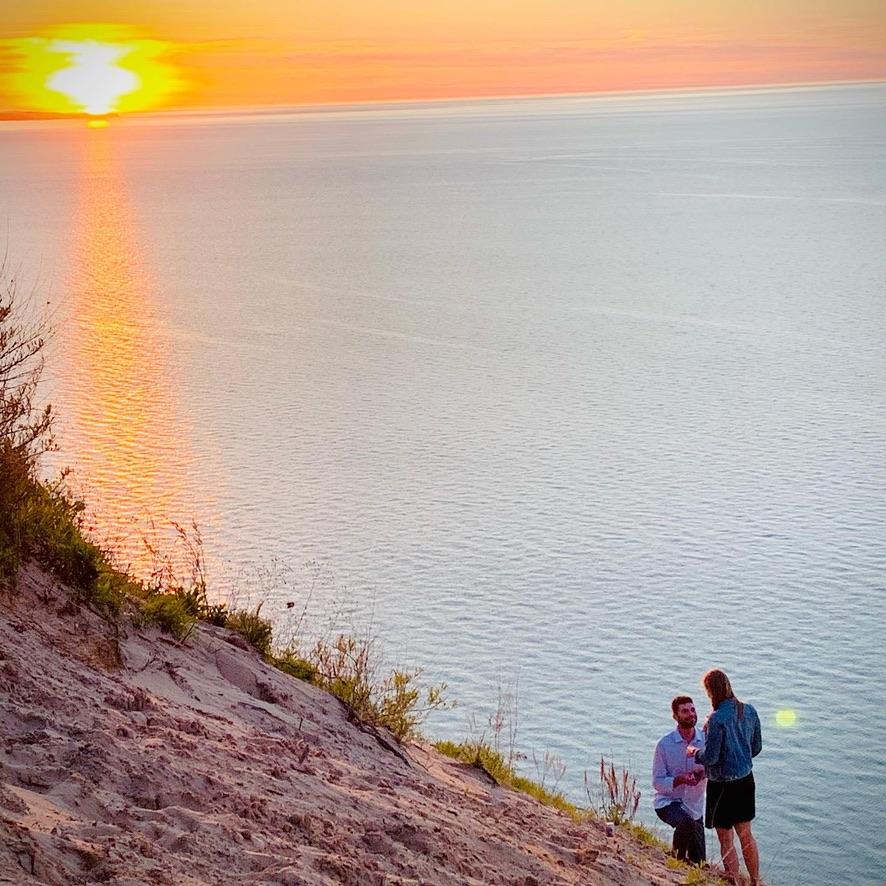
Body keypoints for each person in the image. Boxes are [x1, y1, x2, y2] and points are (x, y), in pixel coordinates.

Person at [688, 669, 762, 886]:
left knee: (726, 838)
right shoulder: (749, 710)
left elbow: (711, 757)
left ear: (710, 690)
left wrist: (694, 753)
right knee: (746, 834)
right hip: (745, 781)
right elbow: (756, 747)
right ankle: (755, 881)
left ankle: (734, 882)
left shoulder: (716, 719)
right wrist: (741, 756)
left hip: (721, 786)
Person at [652, 695, 707, 864]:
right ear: (675, 716)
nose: (691, 714)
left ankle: (683, 861)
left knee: (699, 862)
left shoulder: (705, 741)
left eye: (693, 710)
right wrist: (680, 780)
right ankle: (676, 862)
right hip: (668, 802)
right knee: (685, 823)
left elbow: (716, 768)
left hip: (694, 807)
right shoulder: (664, 745)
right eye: (685, 711)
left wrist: (702, 774)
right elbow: (657, 782)